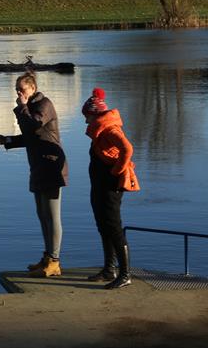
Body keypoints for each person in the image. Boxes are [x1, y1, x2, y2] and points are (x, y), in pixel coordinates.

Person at [0, 73, 68, 278]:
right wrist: (7, 140)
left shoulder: (44, 105)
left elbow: (32, 125)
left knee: (53, 216)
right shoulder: (30, 108)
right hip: (38, 167)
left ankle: (55, 261)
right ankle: (47, 258)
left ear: (32, 88)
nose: (18, 92)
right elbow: (30, 137)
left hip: (52, 167)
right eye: (16, 89)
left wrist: (21, 106)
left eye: (21, 89)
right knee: (42, 215)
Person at [82, 88, 140, 289]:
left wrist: (116, 171)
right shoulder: (101, 130)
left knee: (114, 227)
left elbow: (128, 149)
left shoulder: (110, 129)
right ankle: (109, 269)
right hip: (99, 185)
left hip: (110, 186)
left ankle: (125, 274)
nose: (86, 121)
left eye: (87, 117)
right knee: (103, 226)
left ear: (95, 114)